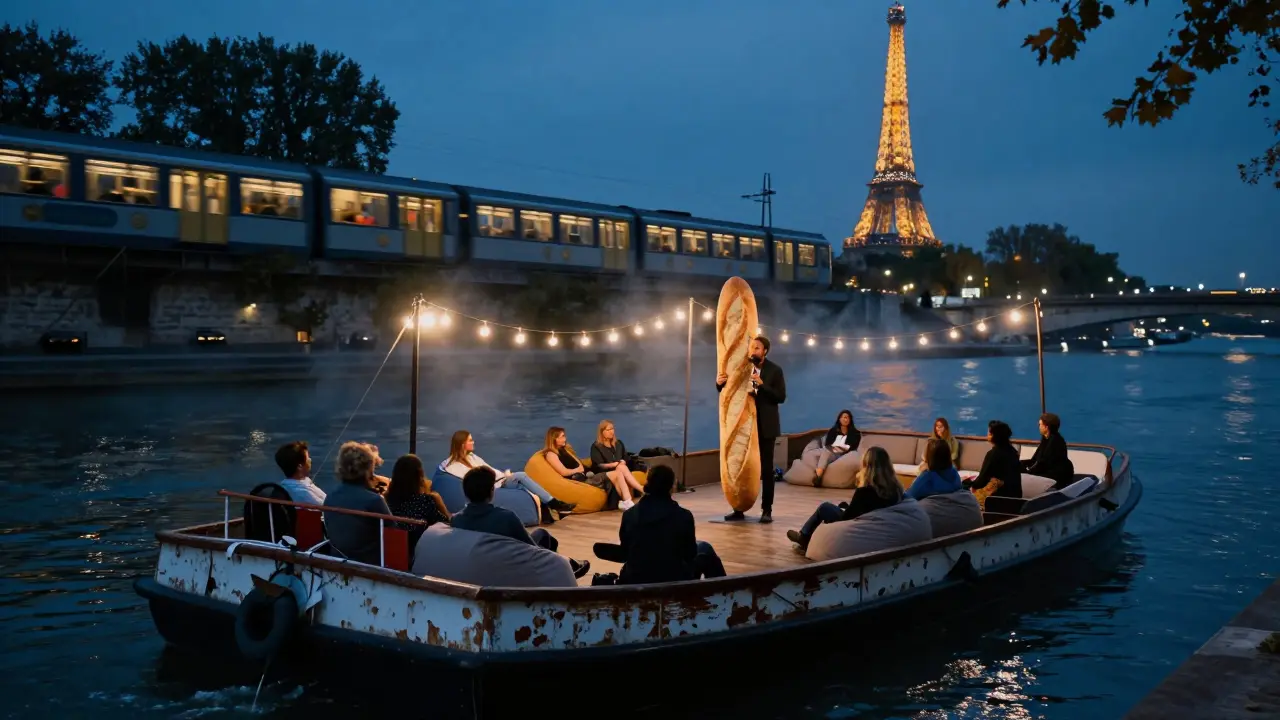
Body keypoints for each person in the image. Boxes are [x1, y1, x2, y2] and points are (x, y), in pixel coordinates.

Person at [451, 467, 591, 579]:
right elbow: (532, 548)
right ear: (492, 491)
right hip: (508, 567)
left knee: (542, 536)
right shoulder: (505, 517)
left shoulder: (456, 520)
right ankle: (564, 566)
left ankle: (565, 564)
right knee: (543, 536)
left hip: (476, 566)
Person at [715, 335, 786, 523]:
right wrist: (719, 383)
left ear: (765, 351)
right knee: (740, 465)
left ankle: (766, 510)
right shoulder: (743, 366)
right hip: (744, 424)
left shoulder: (774, 370)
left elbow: (781, 397)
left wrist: (763, 386)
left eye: (757, 348)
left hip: (765, 425)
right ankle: (738, 508)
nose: (752, 351)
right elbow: (729, 389)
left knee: (766, 468)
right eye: (751, 347)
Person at [617, 465, 726, 584]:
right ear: (671, 487)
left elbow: (625, 551)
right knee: (705, 548)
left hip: (636, 577)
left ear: (648, 483)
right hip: (674, 578)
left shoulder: (629, 515)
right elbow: (690, 554)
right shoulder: (684, 516)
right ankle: (724, 596)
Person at [787, 447, 902, 551]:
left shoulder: (865, 491)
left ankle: (804, 537)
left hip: (856, 526)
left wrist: (844, 510)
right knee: (842, 504)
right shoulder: (895, 489)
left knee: (825, 508)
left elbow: (849, 517)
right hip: (876, 524)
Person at [443, 430, 576, 514]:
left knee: (522, 485)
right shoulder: (454, 464)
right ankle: (554, 503)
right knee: (521, 476)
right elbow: (475, 477)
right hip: (492, 485)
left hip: (498, 480)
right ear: (462, 444)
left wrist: (504, 474)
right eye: (470, 440)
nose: (473, 442)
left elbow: (488, 468)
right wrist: (504, 477)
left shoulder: (472, 457)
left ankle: (549, 507)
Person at [323, 442, 392, 566]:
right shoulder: (374, 500)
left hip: (336, 560)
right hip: (369, 565)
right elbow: (394, 534)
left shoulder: (330, 497)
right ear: (369, 468)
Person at [542, 426, 636, 510]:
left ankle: (626, 502)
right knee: (617, 473)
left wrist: (583, 468)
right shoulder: (551, 454)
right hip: (579, 481)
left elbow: (578, 462)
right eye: (562, 436)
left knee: (617, 475)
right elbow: (563, 472)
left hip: (585, 475)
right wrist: (578, 470)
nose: (565, 438)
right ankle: (628, 503)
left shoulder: (564, 449)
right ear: (554, 438)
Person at [385, 454, 451, 545]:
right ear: (419, 475)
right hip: (420, 548)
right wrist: (440, 503)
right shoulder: (426, 500)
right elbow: (446, 524)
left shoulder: (387, 499)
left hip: (396, 547)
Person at [963, 420, 1023, 500]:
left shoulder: (993, 454)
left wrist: (967, 482)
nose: (987, 434)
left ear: (994, 436)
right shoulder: (1013, 452)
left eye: (989, 433)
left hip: (997, 498)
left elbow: (982, 480)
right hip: (1016, 497)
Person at [589, 419, 645, 497]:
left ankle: (630, 499)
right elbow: (598, 465)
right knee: (620, 467)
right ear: (602, 432)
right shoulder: (596, 446)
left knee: (621, 466)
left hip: (620, 469)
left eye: (612, 429)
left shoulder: (618, 443)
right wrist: (612, 465)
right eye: (608, 430)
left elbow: (625, 458)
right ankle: (641, 489)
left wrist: (623, 461)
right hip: (605, 472)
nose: (612, 432)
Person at [1022, 412, 1075, 488]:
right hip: (1047, 470)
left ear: (1046, 427)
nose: (1039, 426)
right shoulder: (1046, 439)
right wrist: (1021, 464)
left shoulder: (1055, 441)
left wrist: (1028, 471)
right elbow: (1035, 459)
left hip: (1056, 475)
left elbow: (1044, 463)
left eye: (1040, 424)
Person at [815, 409, 860, 486]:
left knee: (827, 452)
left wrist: (841, 448)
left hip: (846, 455)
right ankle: (818, 477)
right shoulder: (833, 431)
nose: (846, 419)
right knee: (826, 451)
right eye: (844, 417)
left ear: (850, 420)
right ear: (840, 419)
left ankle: (818, 475)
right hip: (834, 453)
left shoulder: (855, 433)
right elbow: (828, 444)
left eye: (848, 418)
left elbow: (853, 446)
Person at [274, 440, 326, 505]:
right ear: (299, 466)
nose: (310, 460)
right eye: (308, 458)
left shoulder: (279, 489)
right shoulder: (306, 494)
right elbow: (329, 507)